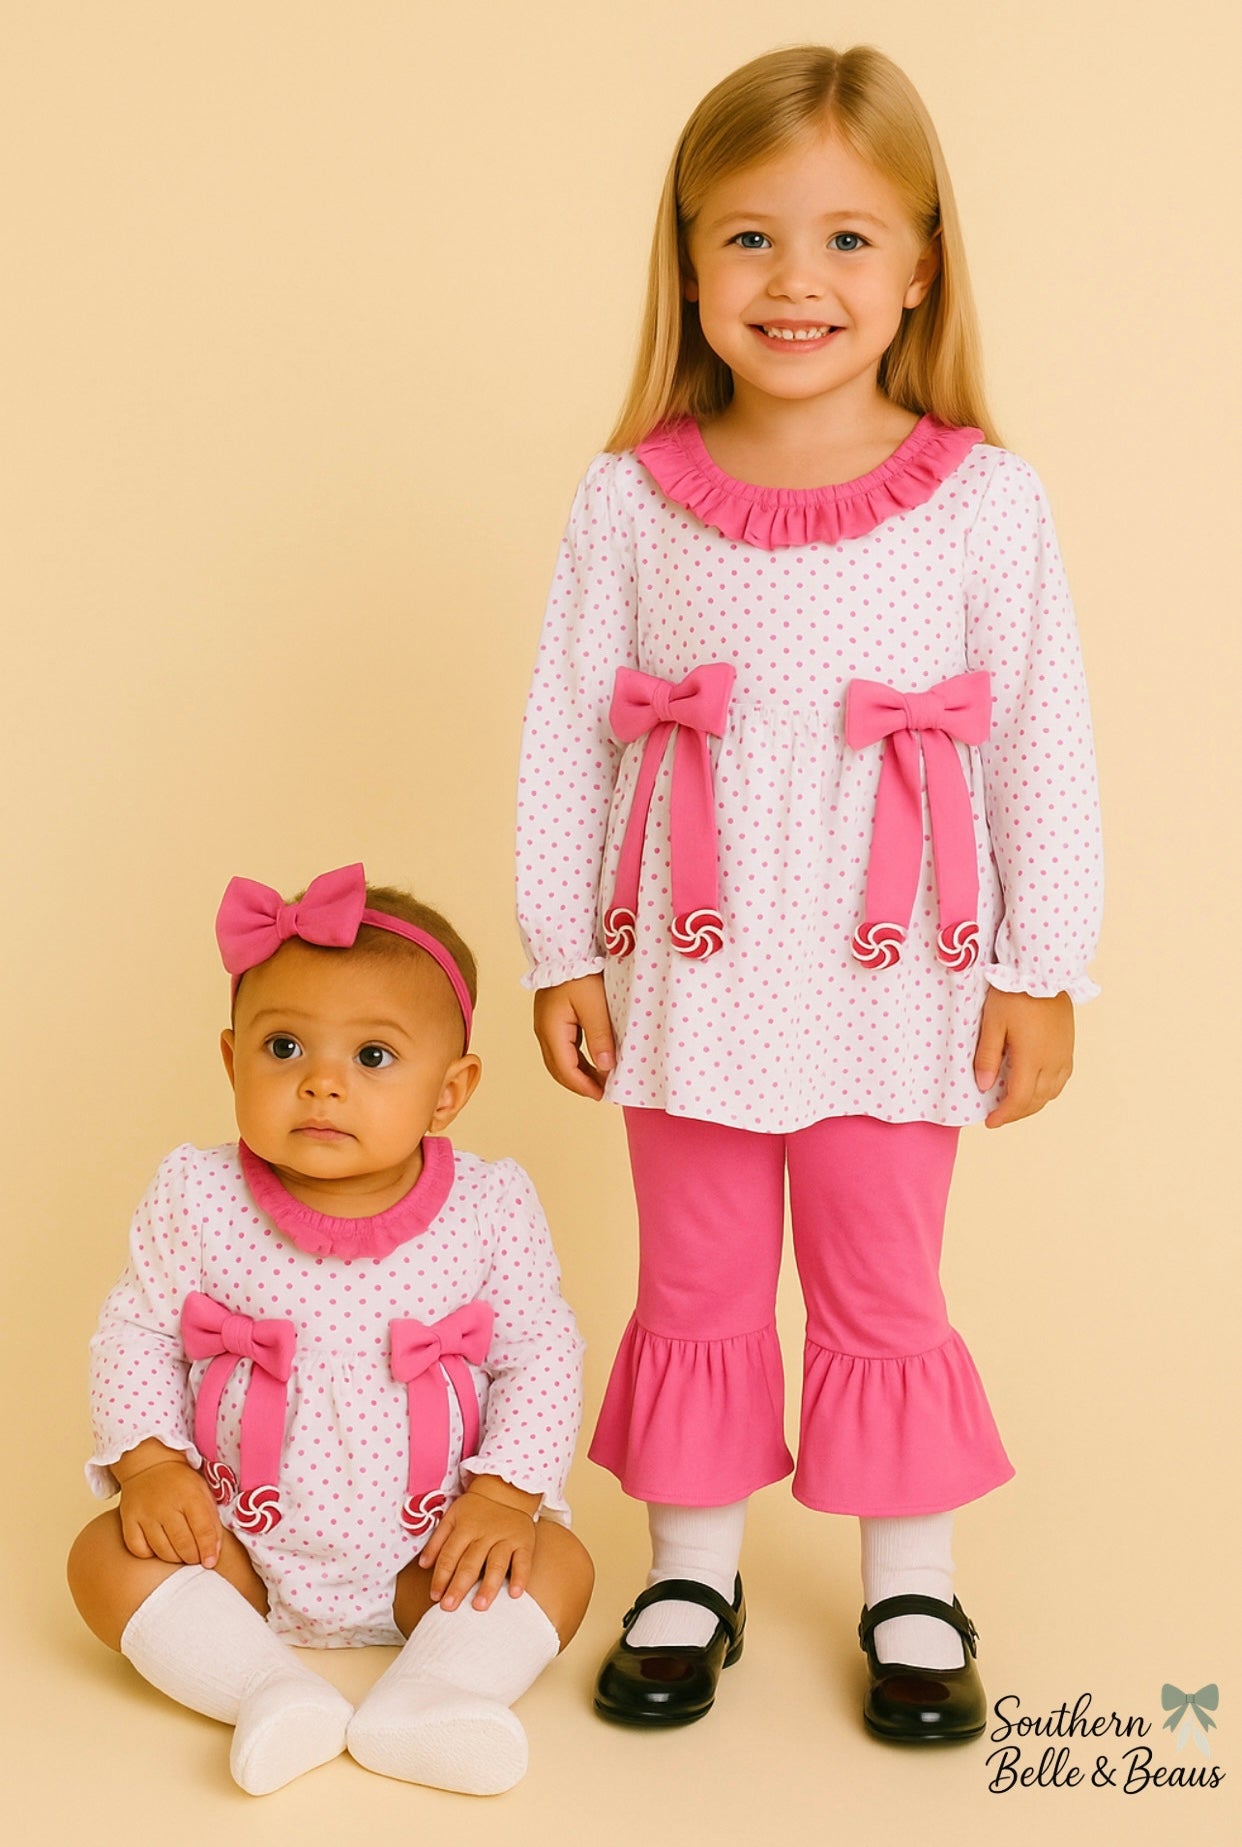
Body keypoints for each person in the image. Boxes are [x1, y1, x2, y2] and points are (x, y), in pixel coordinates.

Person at [516, 44, 1101, 1744]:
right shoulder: (631, 494)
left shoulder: (983, 498)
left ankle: (906, 1575)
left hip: (893, 970)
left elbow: (1038, 738)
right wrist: (566, 942)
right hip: (687, 971)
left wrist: (1040, 962)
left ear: (921, 261)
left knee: (881, 1281)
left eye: (849, 240)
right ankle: (688, 1565)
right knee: (692, 1277)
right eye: (750, 239)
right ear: (687, 262)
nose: (797, 281)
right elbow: (566, 725)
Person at [68, 863, 592, 1795]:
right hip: (230, 1545)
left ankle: (435, 1691)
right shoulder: (196, 1192)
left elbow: (539, 1352)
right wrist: (150, 1465)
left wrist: (507, 1496)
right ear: (232, 1061)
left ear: (450, 1090)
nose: (320, 1084)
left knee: (562, 1569)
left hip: (432, 1550)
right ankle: (265, 1687)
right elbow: (138, 1331)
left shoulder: (490, 1205)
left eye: (373, 1058)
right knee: (102, 1560)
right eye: (282, 1047)